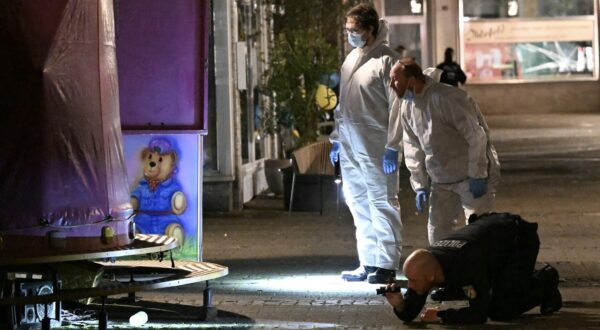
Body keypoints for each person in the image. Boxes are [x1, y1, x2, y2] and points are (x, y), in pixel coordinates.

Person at [389, 59, 500, 245]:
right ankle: (446, 271)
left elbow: (476, 136)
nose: (391, 85)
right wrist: (420, 184)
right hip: (442, 180)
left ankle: (482, 272)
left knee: (479, 231)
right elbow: (413, 146)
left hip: (469, 176)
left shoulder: (447, 98)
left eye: (395, 79)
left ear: (412, 79)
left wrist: (478, 173)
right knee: (438, 233)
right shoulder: (408, 107)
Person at [329, 3, 402, 284]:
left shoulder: (387, 61)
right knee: (359, 203)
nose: (350, 34)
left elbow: (398, 108)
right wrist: (336, 139)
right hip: (350, 144)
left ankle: (386, 263)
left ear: (370, 30)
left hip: (376, 144)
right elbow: (343, 104)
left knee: (382, 202)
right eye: (347, 30)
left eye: (354, 30)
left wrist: (393, 146)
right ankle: (369, 261)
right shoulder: (351, 60)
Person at [382, 212, 562, 324]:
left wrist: (441, 316)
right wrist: (400, 306)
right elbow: (413, 305)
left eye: (412, 281)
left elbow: (479, 314)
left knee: (501, 310)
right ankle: (525, 282)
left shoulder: (463, 267)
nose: (409, 286)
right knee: (487, 293)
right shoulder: (430, 264)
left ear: (431, 278)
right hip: (493, 241)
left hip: (519, 242)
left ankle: (546, 280)